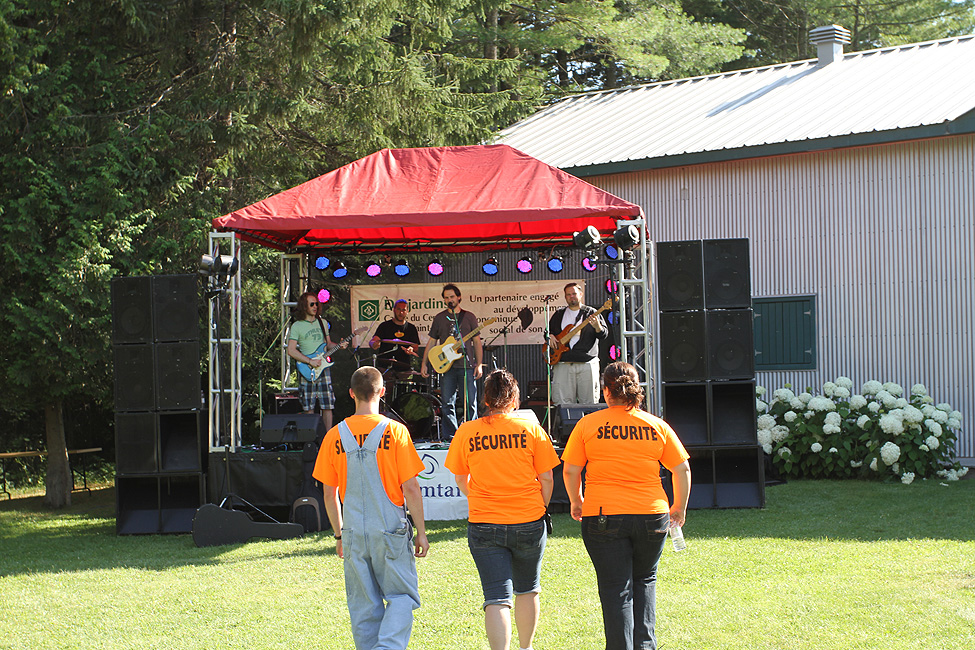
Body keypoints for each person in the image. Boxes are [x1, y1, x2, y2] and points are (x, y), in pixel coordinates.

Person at [561, 361, 691, 650]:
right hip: (652, 514)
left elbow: (571, 470)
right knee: (645, 580)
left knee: (614, 588)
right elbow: (681, 469)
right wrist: (679, 506)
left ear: (606, 391)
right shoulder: (656, 425)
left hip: (603, 515)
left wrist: (576, 500)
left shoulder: (587, 424)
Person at [313, 366, 430, 650]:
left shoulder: (333, 436)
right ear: (382, 392)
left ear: (351, 393)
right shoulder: (396, 431)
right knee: (402, 596)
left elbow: (330, 493)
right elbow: (411, 487)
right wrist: (422, 532)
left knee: (363, 606)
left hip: (353, 531)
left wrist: (339, 535)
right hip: (390, 529)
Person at [445, 369, 561, 650]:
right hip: (529, 519)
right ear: (515, 398)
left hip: (484, 522)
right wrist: (541, 506)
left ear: (485, 398)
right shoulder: (531, 429)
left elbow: (460, 477)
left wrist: (479, 495)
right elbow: (546, 477)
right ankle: (526, 647)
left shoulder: (466, 431)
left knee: (496, 597)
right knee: (528, 588)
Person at [421, 283, 483, 438]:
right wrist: (424, 363)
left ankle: (471, 434)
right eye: (446, 297)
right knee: (447, 403)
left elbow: (476, 342)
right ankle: (451, 436)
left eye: (452, 296)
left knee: (470, 402)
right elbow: (431, 342)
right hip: (447, 368)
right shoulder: (439, 318)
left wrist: (479, 364)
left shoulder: (469, 317)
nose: (450, 299)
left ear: (459, 297)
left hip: (466, 366)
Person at [287, 291, 348, 430]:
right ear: (304, 306)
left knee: (327, 404)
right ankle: (310, 437)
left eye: (316, 304)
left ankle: (327, 438)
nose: (315, 306)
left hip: (323, 367)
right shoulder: (297, 326)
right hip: (307, 368)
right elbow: (291, 350)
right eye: (312, 304)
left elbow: (328, 344)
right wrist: (309, 361)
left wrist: (340, 346)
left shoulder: (323, 323)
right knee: (308, 406)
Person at [547, 282, 609, 405]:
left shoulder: (591, 312)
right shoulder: (559, 314)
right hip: (563, 363)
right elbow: (549, 331)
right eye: (568, 294)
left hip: (587, 363)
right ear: (565, 297)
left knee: (589, 402)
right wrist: (550, 336)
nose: (571, 297)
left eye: (574, 294)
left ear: (581, 294)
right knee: (562, 402)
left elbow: (604, 335)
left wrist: (597, 326)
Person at [369, 299, 421, 372]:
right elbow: (373, 341)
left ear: (407, 311)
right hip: (385, 367)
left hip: (404, 368)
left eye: (404, 310)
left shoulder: (411, 328)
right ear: (394, 310)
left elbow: (415, 347)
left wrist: (411, 349)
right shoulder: (384, 326)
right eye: (399, 309)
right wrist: (374, 344)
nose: (401, 312)